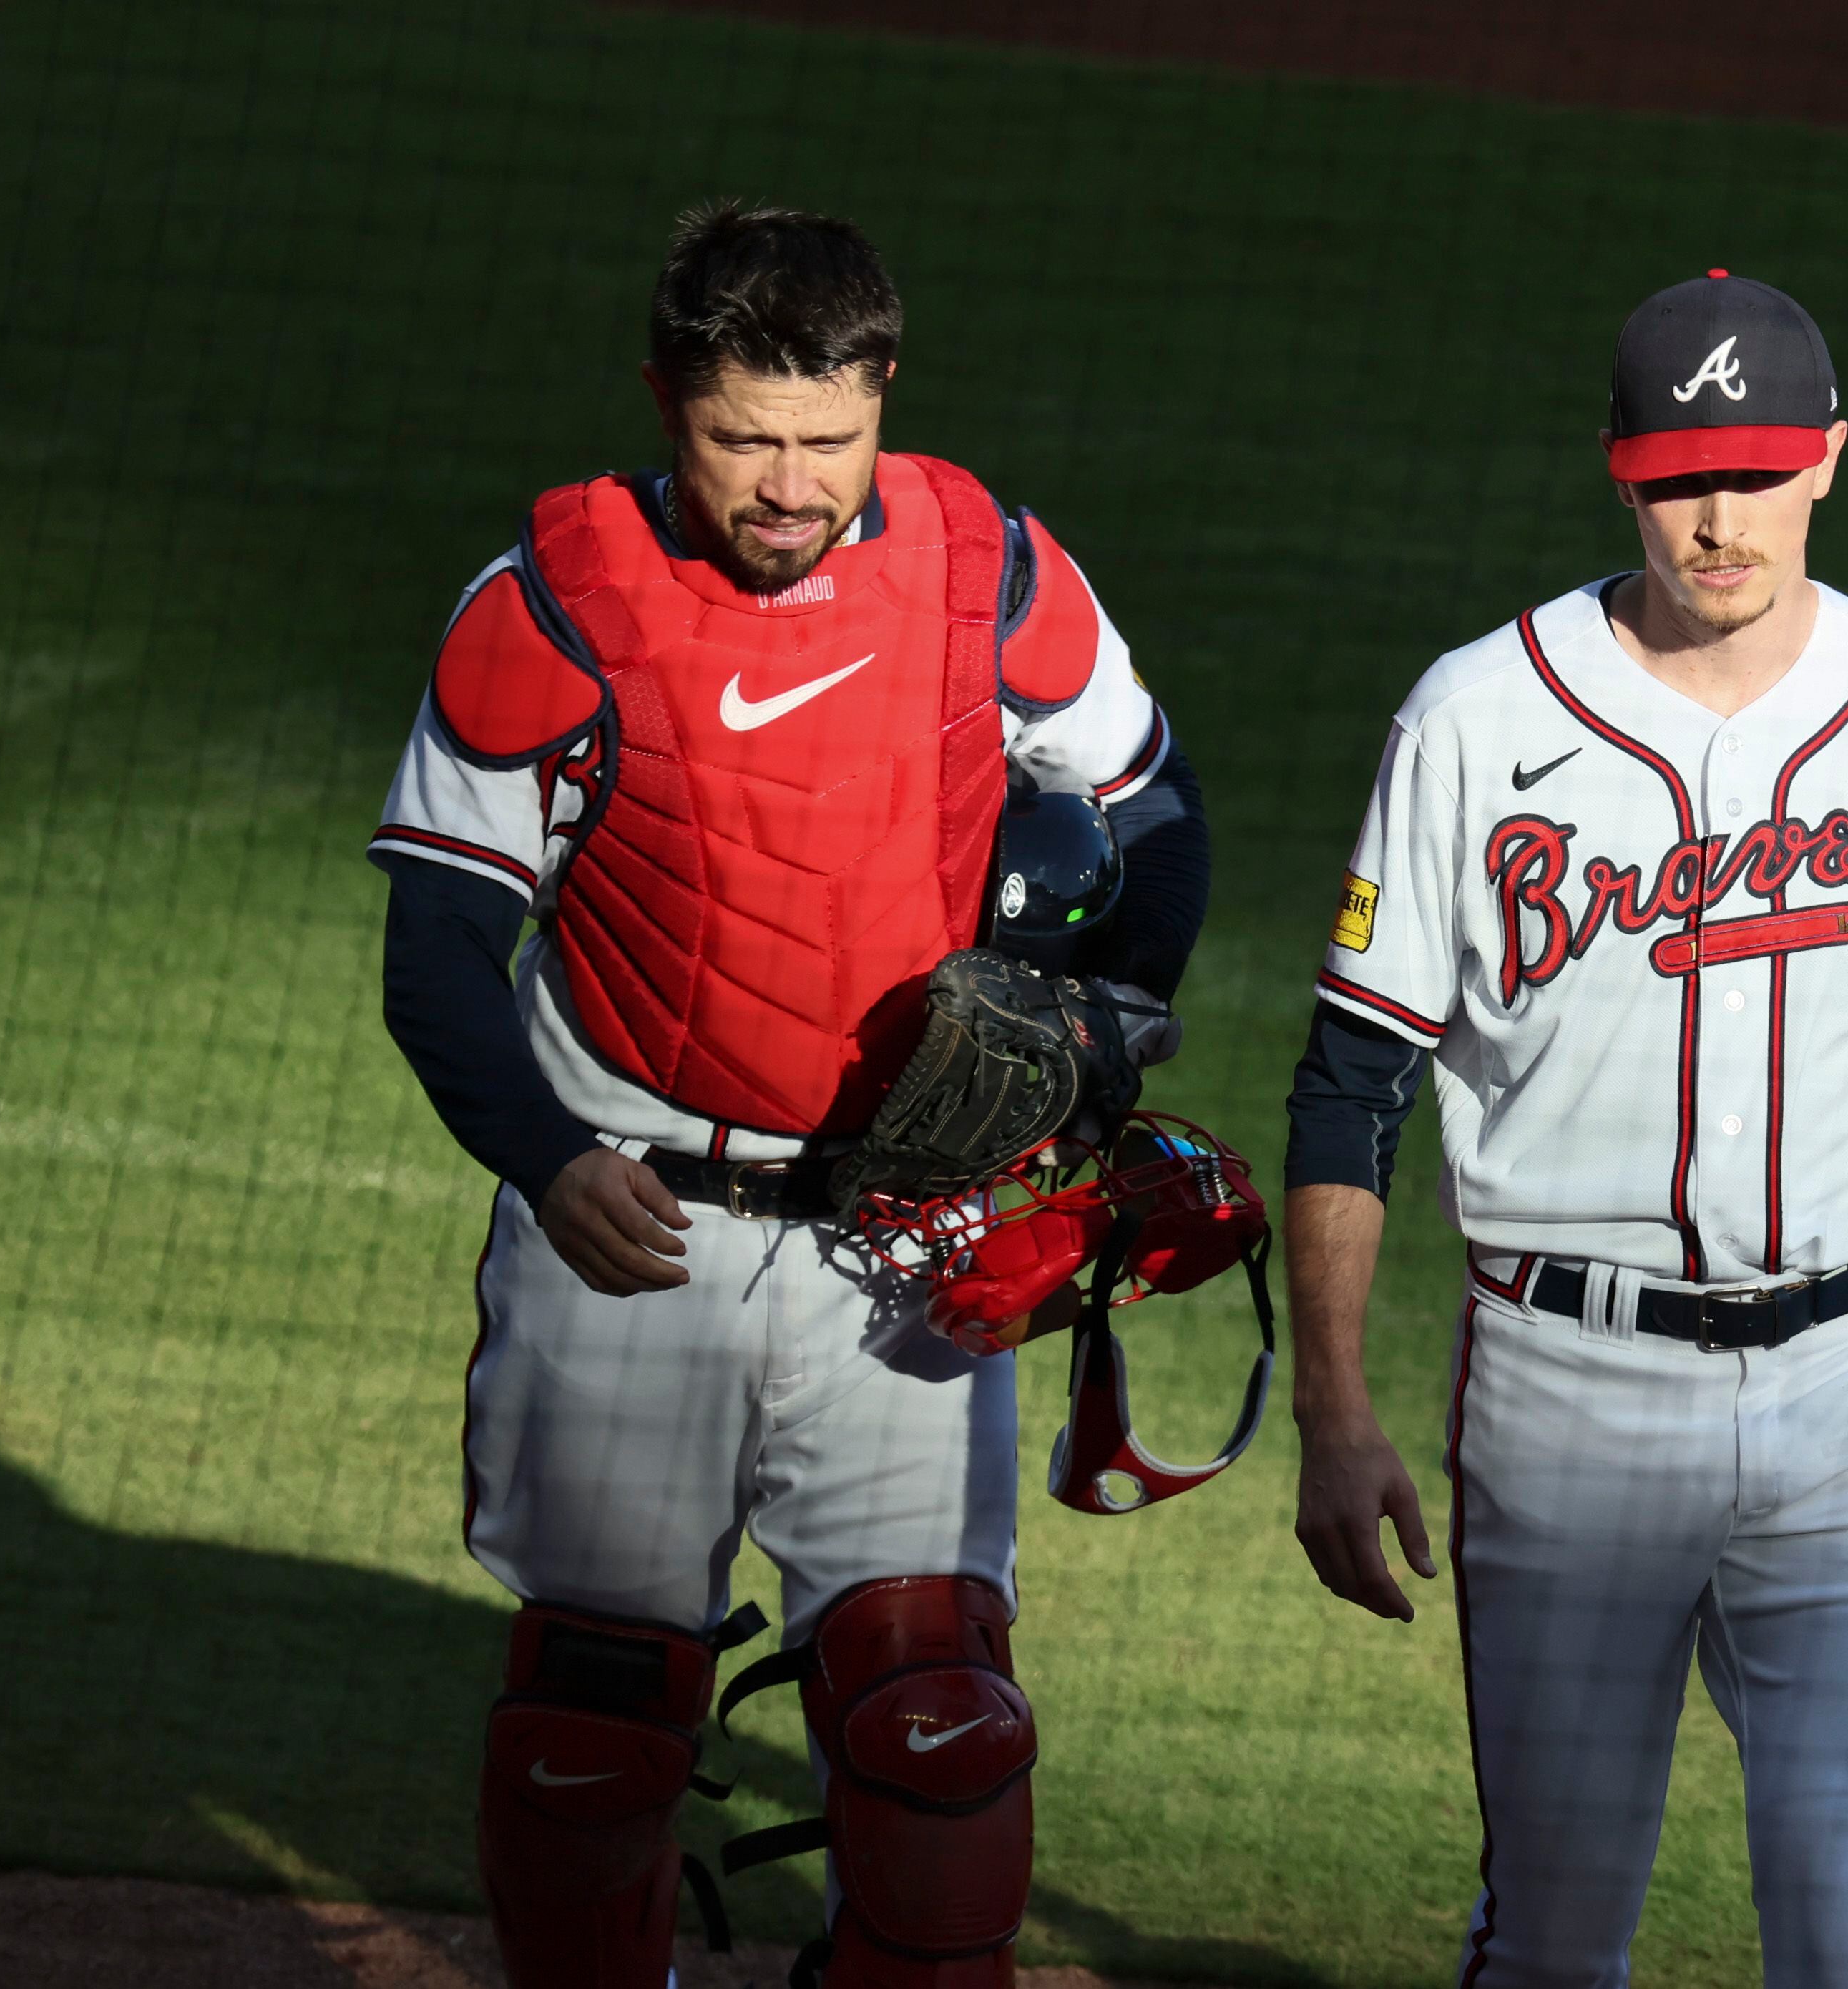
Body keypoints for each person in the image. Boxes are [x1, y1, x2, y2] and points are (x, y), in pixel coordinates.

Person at [369, 202, 1208, 1989]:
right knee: (592, 1719)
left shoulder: (990, 569)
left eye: (829, 441)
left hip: (896, 1235)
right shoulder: (555, 604)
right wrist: (540, 1151)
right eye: (744, 437)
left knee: (939, 1719)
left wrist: (1105, 1047)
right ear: (669, 396)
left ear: (882, 394)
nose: (788, 484)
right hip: (632, 1231)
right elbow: (437, 949)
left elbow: (1152, 820)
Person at [1283, 271, 1848, 1987]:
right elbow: (1350, 1083)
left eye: (1754, 470)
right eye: (1682, 474)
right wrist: (1332, 1407)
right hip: (1561, 1392)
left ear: (1829, 458)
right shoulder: (1475, 717)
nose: (1719, 516)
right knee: (1557, 1933)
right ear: (1620, 469)